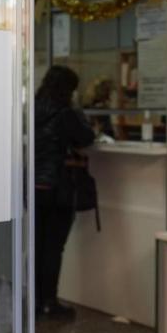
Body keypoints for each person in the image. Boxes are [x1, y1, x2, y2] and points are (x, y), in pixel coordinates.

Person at [35, 66, 95, 320]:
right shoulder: (66, 113)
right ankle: (49, 301)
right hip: (57, 187)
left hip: (34, 186)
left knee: (37, 245)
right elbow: (86, 139)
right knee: (53, 248)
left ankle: (35, 300)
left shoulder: (34, 109)